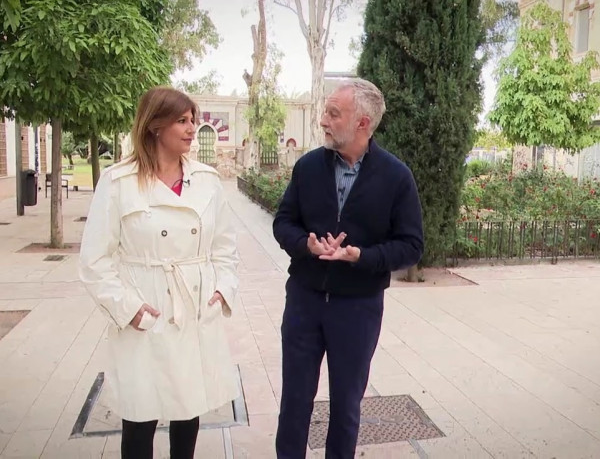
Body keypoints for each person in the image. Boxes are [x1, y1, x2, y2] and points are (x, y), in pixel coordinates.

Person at [79, 86, 239, 459]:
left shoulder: (208, 181)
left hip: (193, 305)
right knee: (139, 416)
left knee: (189, 410)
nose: (190, 129)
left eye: (193, 121)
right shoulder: (119, 182)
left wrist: (221, 290)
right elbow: (94, 260)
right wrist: (127, 307)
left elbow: (225, 249)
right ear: (154, 126)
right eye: (181, 121)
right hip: (145, 303)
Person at [273, 78, 424, 458]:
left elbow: (411, 245)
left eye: (333, 113)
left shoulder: (396, 177)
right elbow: (283, 222)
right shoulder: (307, 167)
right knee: (294, 403)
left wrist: (363, 258)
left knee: (345, 408)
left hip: (357, 309)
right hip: (304, 302)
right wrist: (304, 245)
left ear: (362, 123)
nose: (323, 120)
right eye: (326, 111)